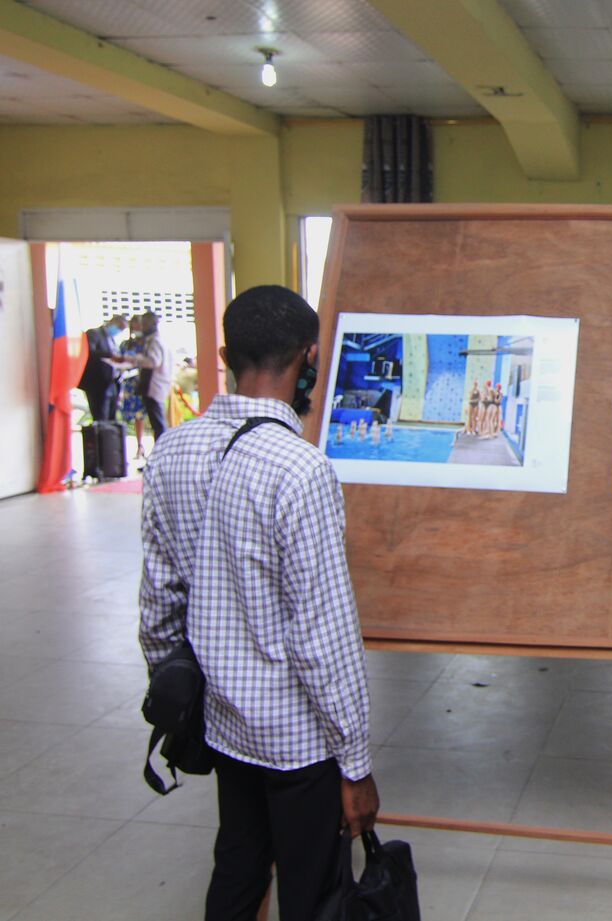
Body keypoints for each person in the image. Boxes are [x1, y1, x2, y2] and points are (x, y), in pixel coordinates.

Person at [138, 285, 377, 921]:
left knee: (239, 865)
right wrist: (355, 765)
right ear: (310, 358)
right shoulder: (301, 469)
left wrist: (183, 694)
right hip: (297, 739)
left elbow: (159, 602)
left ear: (224, 354)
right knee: (315, 890)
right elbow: (322, 635)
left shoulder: (171, 451)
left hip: (222, 721)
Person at [130, 312, 174, 441]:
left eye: (144, 324)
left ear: (152, 324)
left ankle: (161, 453)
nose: (142, 327)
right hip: (159, 385)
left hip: (154, 386)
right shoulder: (160, 340)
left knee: (158, 424)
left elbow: (153, 362)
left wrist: (136, 359)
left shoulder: (155, 341)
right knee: (158, 422)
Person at [78, 314, 127, 421]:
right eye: (119, 327)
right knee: (100, 417)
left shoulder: (112, 340)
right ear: (112, 322)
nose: (119, 331)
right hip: (97, 383)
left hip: (112, 383)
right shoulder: (94, 334)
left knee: (111, 418)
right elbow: (89, 352)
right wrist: (110, 356)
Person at [117, 314, 149, 459]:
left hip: (143, 383)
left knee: (144, 415)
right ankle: (138, 445)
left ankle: (149, 447)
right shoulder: (125, 345)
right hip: (129, 384)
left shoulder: (147, 344)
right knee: (132, 416)